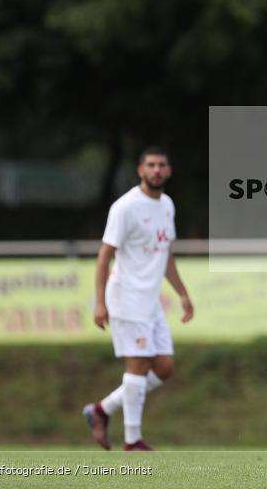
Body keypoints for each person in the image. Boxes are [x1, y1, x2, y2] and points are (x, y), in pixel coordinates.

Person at [82, 146, 194, 451]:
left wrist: (182, 294)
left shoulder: (167, 205)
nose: (157, 170)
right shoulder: (125, 207)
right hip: (125, 298)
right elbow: (104, 257)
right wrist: (99, 302)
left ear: (168, 171)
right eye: (151, 165)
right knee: (140, 364)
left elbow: (166, 255)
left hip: (151, 302)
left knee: (165, 368)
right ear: (141, 170)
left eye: (162, 165)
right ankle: (132, 441)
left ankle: (101, 410)